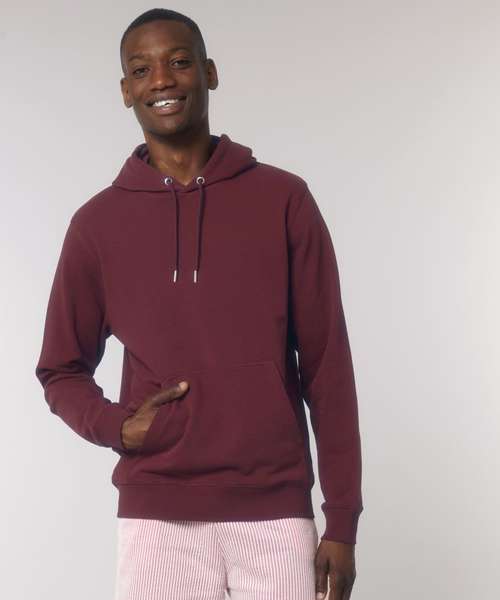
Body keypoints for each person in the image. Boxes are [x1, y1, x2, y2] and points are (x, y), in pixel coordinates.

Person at [35, 8, 363, 600]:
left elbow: (327, 367)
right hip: (156, 517)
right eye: (142, 69)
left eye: (179, 62)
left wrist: (341, 520)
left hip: (274, 513)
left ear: (210, 73)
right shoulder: (97, 225)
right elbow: (60, 369)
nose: (162, 79)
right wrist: (116, 426)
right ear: (126, 90)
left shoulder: (283, 200)